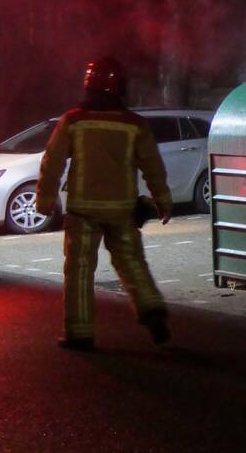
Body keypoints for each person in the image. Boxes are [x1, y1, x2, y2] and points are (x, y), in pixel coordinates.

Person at [36, 57, 173, 350]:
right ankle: (151, 309)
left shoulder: (73, 120)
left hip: (83, 211)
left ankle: (79, 333)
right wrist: (162, 200)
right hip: (122, 210)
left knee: (79, 269)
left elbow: (52, 161)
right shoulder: (135, 125)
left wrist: (45, 199)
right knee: (132, 262)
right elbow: (153, 166)